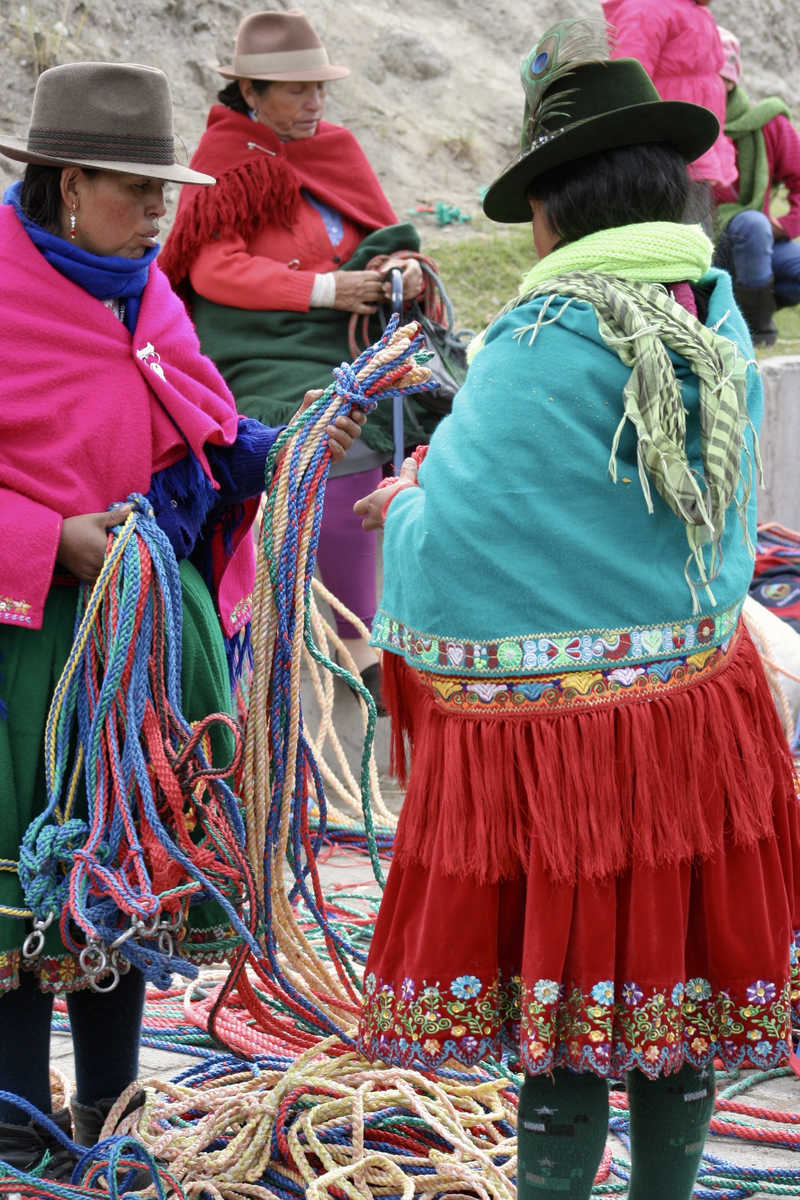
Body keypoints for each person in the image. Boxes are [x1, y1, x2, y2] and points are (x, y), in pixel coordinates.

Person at [354, 25, 800, 1200]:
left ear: (554, 211)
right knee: (678, 1011)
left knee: (562, 1034)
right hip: (700, 729)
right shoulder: (705, 313)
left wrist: (405, 505)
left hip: (568, 768)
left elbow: (463, 536)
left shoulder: (541, 339)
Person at [0, 59, 363, 1181]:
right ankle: (18, 1121)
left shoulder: (142, 288)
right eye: (136, 189)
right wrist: (51, 539)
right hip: (35, 642)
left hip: (153, 627)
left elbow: (193, 426)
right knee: (29, 888)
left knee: (131, 871)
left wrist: (278, 447)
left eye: (166, 188)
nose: (162, 211)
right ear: (67, 186)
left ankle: (111, 1107)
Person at [161, 10, 436, 705]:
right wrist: (324, 288)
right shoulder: (227, 161)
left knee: (431, 406)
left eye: (319, 88)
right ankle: (350, 634)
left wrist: (403, 267)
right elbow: (212, 270)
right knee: (333, 431)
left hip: (344, 330)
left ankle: (391, 617)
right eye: (295, 91)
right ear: (250, 92)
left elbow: (381, 229)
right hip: (261, 341)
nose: (314, 103)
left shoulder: (334, 148)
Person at [601, 0, 736, 230]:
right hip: (660, 159)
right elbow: (628, 85)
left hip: (690, 150)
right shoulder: (645, 9)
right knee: (677, 245)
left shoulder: (694, 11)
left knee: (696, 246)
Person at [712, 26, 800, 347]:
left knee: (757, 229)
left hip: (757, 244)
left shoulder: (768, 123)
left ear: (733, 79)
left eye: (721, 76)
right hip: (703, 246)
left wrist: (785, 224)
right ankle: (757, 330)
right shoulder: (686, 121)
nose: (714, 84)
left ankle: (742, 307)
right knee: (751, 224)